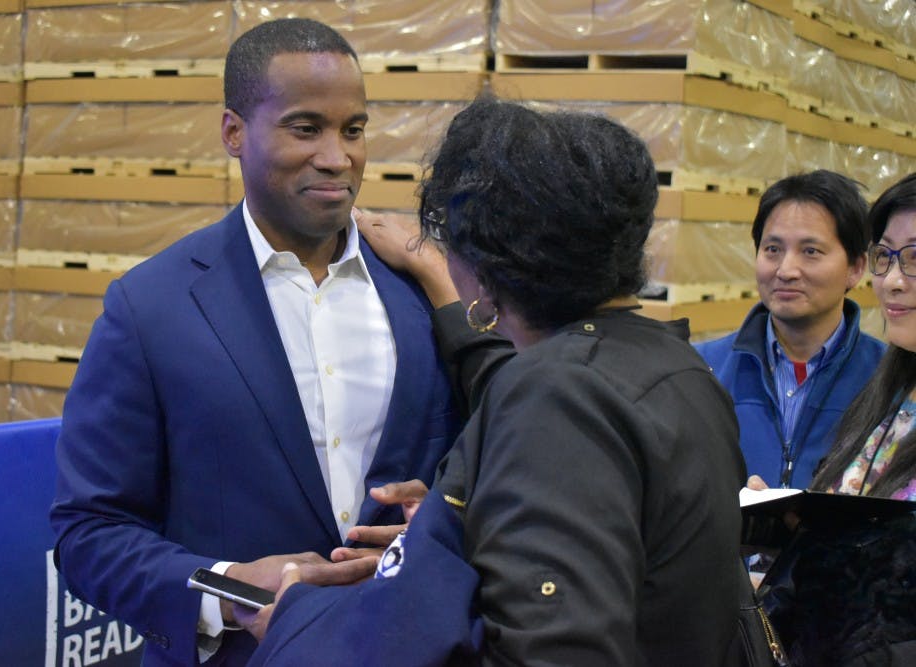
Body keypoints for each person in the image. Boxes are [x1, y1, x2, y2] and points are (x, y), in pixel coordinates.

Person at [243, 97, 749, 666]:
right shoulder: (676, 364)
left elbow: (549, 648)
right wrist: (455, 531)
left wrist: (304, 625)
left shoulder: (556, 395)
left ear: (487, 260)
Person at [49, 18, 459, 666]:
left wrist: (434, 527)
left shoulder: (421, 292)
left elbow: (479, 473)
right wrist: (229, 586)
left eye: (353, 130)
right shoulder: (149, 308)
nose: (337, 157)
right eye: (306, 128)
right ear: (233, 132)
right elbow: (89, 534)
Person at [758, 173, 916, 665]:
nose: (891, 279)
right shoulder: (891, 394)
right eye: (887, 256)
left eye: (915, 258)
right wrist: (795, 531)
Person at [696, 170, 885, 489]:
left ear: (855, 268)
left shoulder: (890, 381)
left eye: (810, 251)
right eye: (772, 249)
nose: (786, 270)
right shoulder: (702, 370)